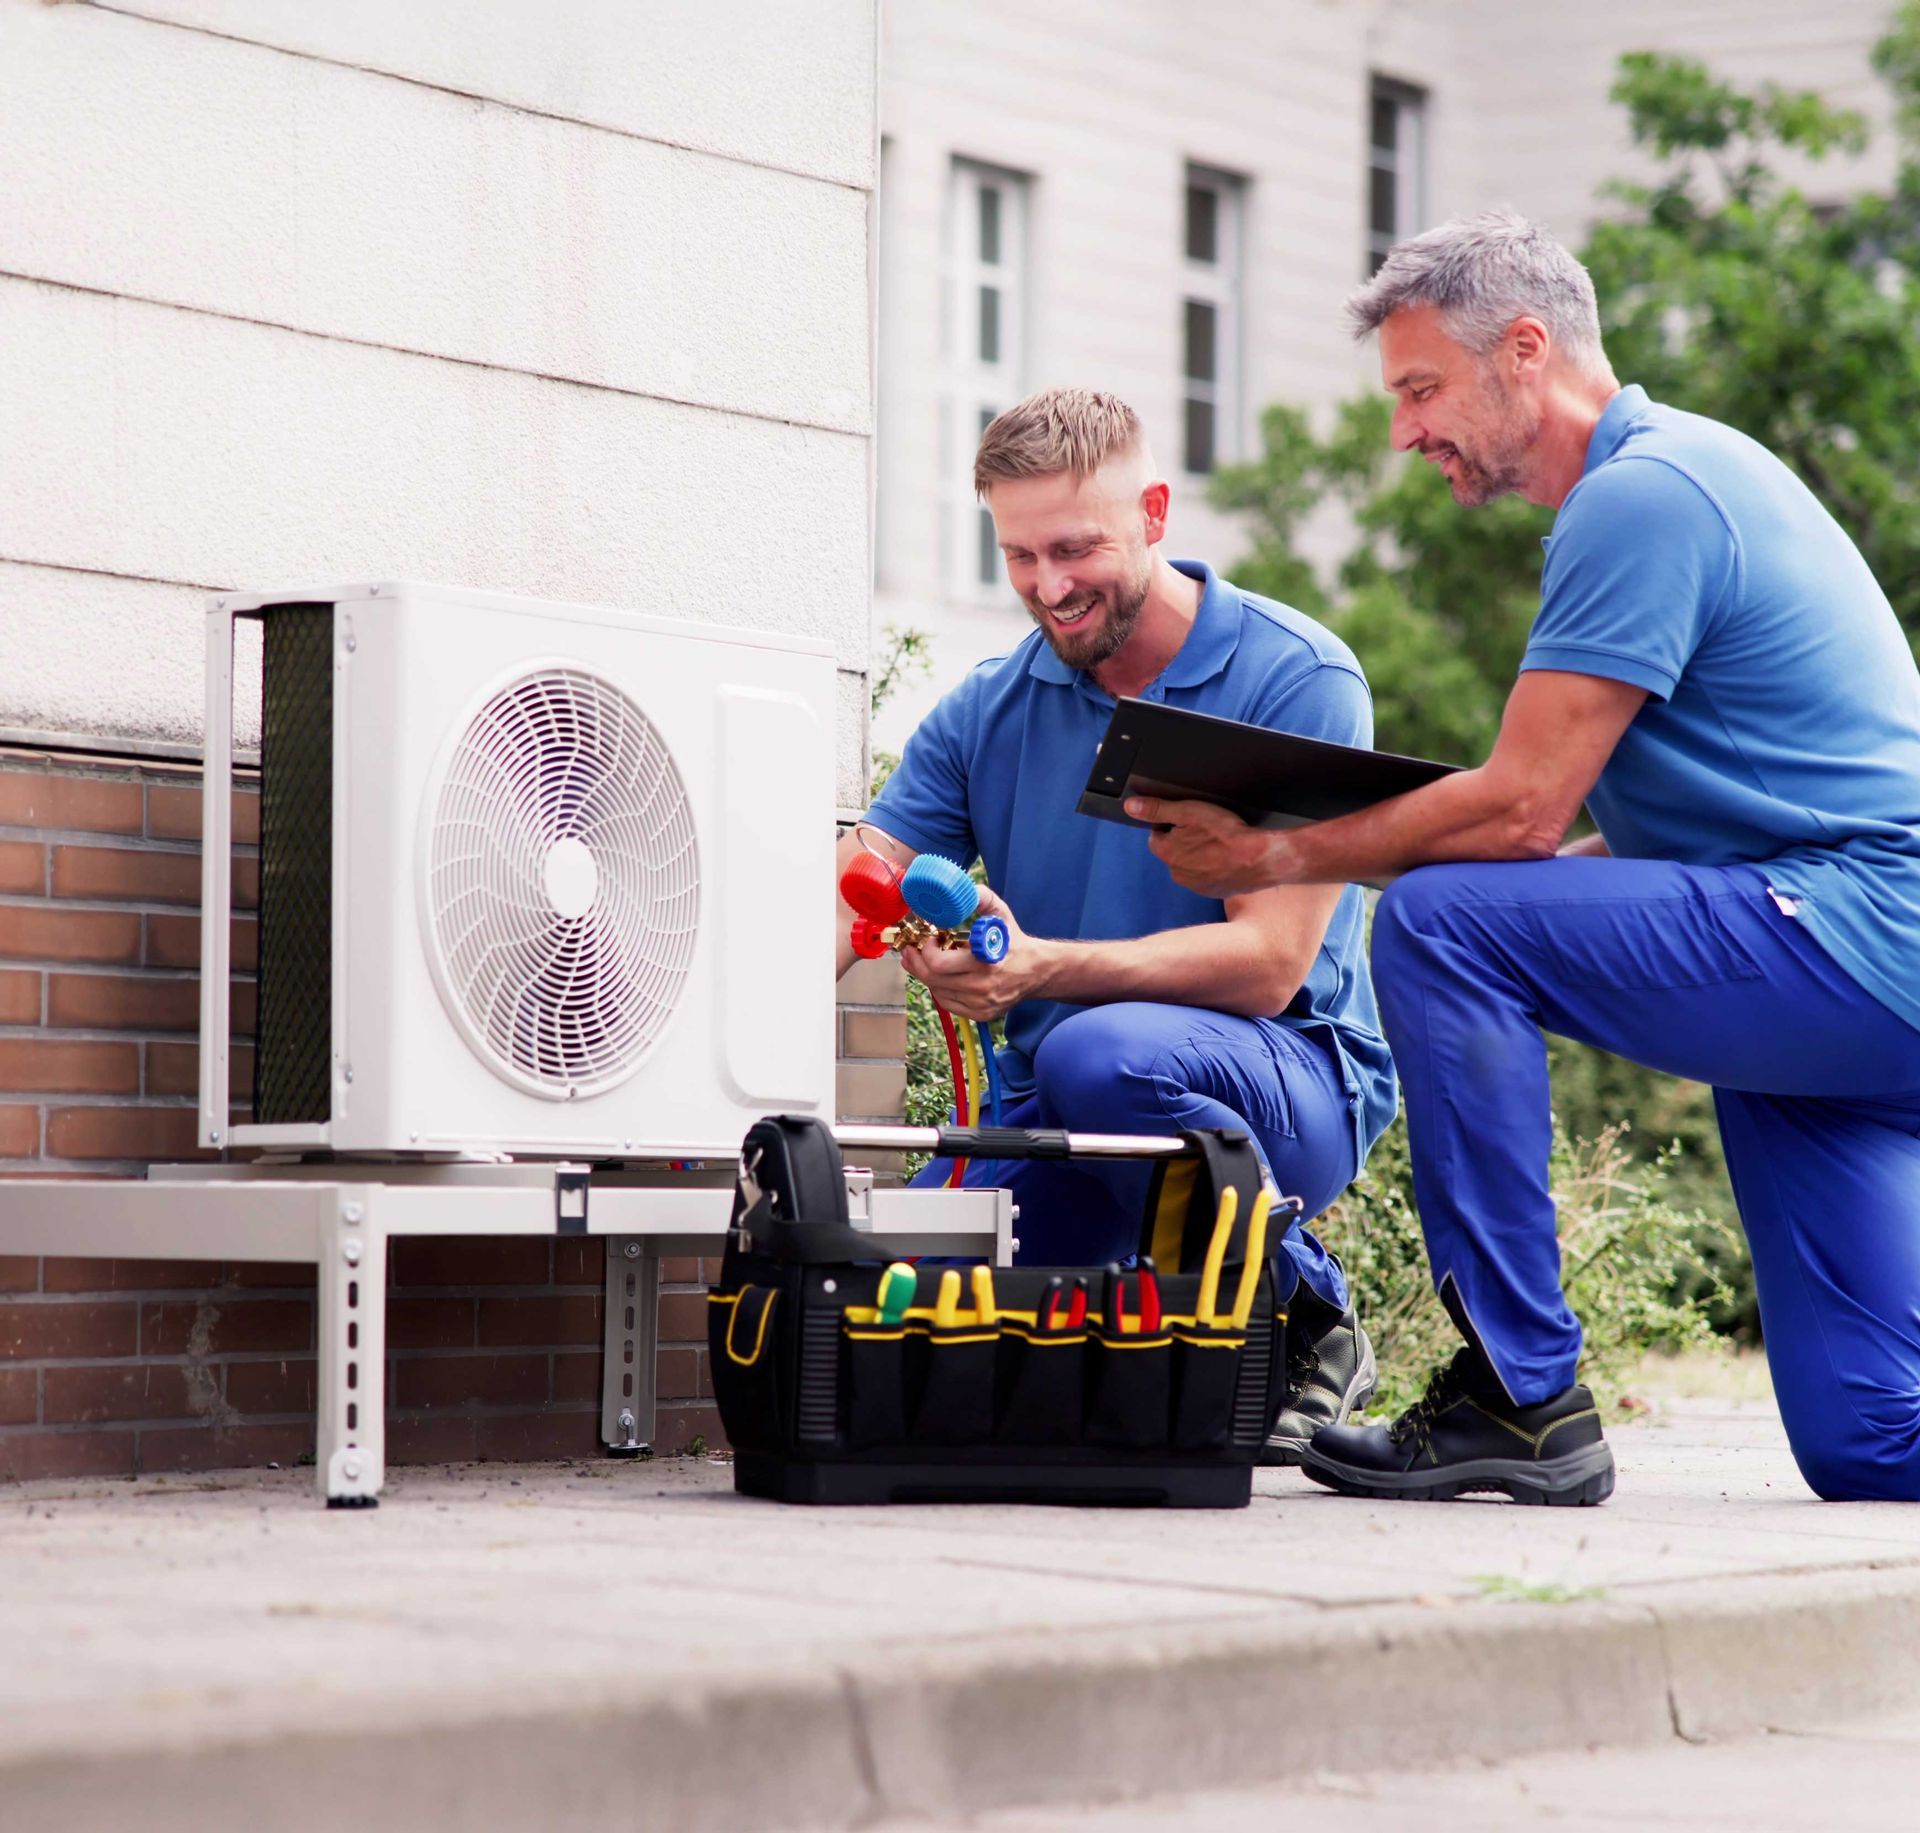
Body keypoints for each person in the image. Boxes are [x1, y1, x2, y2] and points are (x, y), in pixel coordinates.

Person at [1133, 209, 1920, 1505]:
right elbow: (1613, 834)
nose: (1403, 431)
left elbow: (1519, 818)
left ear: (1528, 350)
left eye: (1422, 387)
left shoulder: (1643, 495)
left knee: (1445, 921)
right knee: (1869, 1440)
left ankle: (1519, 1389)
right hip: (1834, 976)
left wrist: (1278, 855)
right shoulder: (1681, 480)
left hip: (1853, 933)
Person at [836, 386, 1398, 1459]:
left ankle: (1305, 1310)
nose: (1049, 587)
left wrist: (1038, 968)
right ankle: (1169, 1328)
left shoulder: (1293, 678)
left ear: (1153, 511)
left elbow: (1271, 966)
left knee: (1101, 1049)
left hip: (1281, 1084)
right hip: (1058, 1106)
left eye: (1075, 548)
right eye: (1019, 555)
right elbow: (857, 877)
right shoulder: (991, 707)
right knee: (884, 1312)